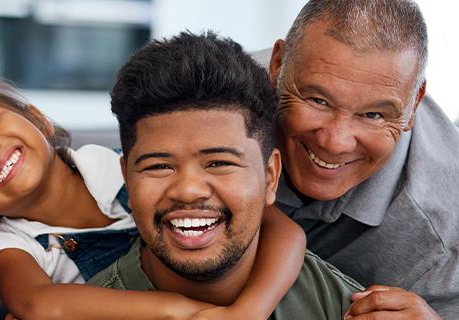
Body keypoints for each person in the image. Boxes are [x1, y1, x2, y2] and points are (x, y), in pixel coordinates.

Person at [0, 80, 307, 319]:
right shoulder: (11, 243)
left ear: (38, 119)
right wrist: (182, 313)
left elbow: (280, 227)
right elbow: (38, 306)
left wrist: (248, 311)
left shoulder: (114, 166)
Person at [89, 31, 362, 319]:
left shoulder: (348, 310)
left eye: (219, 163)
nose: (188, 190)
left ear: (270, 176)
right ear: (128, 181)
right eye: (159, 166)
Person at [267, 0, 457, 317]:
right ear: (277, 65)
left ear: (414, 104)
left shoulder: (450, 236)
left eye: (372, 114)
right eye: (318, 100)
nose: (336, 142)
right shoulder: (207, 97)